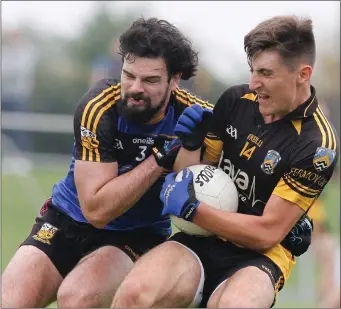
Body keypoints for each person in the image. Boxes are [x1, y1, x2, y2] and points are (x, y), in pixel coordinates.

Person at [112, 15, 339, 308]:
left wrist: (196, 210)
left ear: (303, 74)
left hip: (259, 257)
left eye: (266, 73)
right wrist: (191, 145)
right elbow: (196, 176)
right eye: (252, 71)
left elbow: (267, 232)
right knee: (133, 295)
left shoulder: (318, 145)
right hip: (201, 239)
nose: (254, 83)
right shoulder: (235, 101)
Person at [1, 18, 212, 308]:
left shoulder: (197, 116)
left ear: (175, 80)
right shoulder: (98, 107)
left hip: (136, 235)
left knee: (78, 298)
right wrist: (158, 161)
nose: (135, 88)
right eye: (129, 75)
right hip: (68, 219)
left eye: (150, 80)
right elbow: (96, 210)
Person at [308, 198, 340, 308]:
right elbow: (315, 225)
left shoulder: (316, 203)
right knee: (327, 271)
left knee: (328, 272)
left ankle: (325, 302)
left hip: (319, 239)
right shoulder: (311, 201)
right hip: (318, 239)